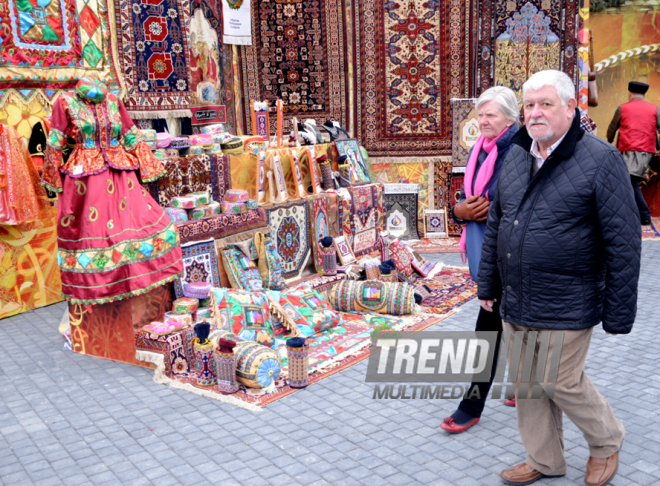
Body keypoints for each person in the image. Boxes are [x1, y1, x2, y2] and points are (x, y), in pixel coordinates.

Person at [478, 70, 641, 486]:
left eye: (546, 104)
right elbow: (497, 224)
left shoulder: (601, 160)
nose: (535, 113)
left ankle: (607, 441)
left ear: (571, 108)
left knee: (559, 379)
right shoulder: (516, 153)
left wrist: (618, 312)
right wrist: (488, 286)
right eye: (529, 105)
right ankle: (545, 459)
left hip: (568, 297)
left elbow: (623, 242)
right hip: (517, 295)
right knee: (530, 385)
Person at [440, 86, 520, 434]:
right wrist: (458, 211)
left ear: (510, 118)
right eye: (481, 114)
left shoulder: (518, 151)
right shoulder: (482, 149)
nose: (484, 121)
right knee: (514, 321)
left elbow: (500, 203)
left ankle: (470, 406)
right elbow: (469, 200)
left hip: (510, 253)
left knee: (488, 329)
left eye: (492, 115)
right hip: (488, 247)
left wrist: (468, 210)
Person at [606, 81, 659, 225]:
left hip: (627, 152)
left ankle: (644, 215)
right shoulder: (655, 109)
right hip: (646, 152)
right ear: (644, 95)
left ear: (630, 94)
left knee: (631, 183)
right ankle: (633, 214)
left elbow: (612, 128)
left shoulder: (622, 108)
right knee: (629, 182)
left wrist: (609, 140)